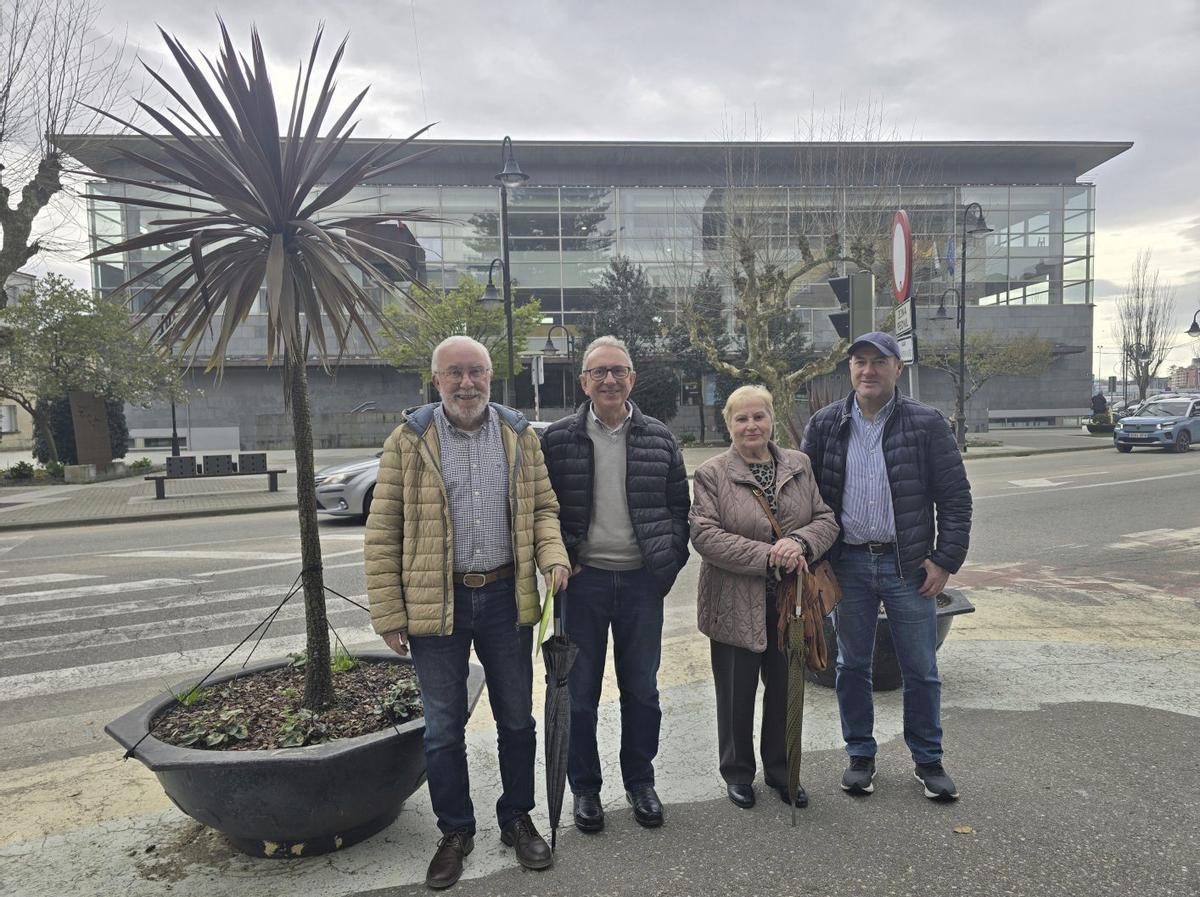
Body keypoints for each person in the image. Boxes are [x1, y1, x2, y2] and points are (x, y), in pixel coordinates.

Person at [365, 336, 571, 890]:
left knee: (517, 719)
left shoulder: (519, 436)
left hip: (507, 598)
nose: (466, 383)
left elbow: (544, 508)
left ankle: (516, 816)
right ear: (436, 381)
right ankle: (455, 830)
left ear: (490, 375)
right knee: (441, 729)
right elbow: (383, 531)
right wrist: (389, 612)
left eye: (475, 372)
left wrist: (551, 556)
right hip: (436, 602)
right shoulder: (409, 441)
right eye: (454, 373)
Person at [800, 332, 972, 802]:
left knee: (920, 668)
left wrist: (945, 559)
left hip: (908, 568)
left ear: (898, 368)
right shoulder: (824, 424)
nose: (868, 370)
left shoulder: (927, 424)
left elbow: (955, 498)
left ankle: (928, 759)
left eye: (879, 361)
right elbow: (805, 499)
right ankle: (860, 755)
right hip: (847, 565)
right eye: (859, 361)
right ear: (850, 370)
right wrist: (814, 557)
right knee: (851, 665)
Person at [541, 335, 690, 833]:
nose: (609, 379)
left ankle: (640, 780)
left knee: (642, 692)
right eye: (598, 372)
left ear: (632, 378)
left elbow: (677, 509)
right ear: (584, 381)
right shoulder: (558, 438)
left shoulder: (660, 437)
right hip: (582, 587)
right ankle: (586, 789)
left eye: (618, 370)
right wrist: (563, 555)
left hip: (641, 584)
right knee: (578, 693)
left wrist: (664, 564)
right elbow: (544, 509)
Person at [690, 385, 839, 810]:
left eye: (759, 416)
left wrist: (800, 543)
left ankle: (782, 771)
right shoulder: (711, 473)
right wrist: (771, 556)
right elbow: (705, 536)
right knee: (736, 695)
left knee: (787, 689)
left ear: (772, 419)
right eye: (742, 418)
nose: (751, 425)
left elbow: (826, 519)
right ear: (729, 425)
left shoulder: (799, 465)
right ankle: (738, 773)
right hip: (734, 602)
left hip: (792, 603)